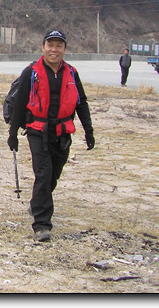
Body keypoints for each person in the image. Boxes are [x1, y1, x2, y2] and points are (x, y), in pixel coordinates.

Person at [7, 30, 95, 242]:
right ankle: (42, 225)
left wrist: (89, 131)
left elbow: (81, 103)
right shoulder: (31, 72)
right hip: (38, 132)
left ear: (64, 49)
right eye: (50, 45)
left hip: (62, 133)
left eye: (59, 45)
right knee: (44, 173)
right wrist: (13, 134)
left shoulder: (72, 73)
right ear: (43, 47)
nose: (54, 49)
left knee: (53, 175)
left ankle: (37, 201)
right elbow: (19, 105)